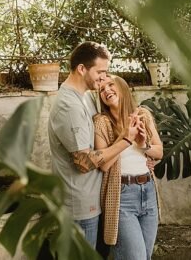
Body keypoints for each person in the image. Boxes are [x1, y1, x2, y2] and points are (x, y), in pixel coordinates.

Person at [47, 42, 140, 247]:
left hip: (91, 202)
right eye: (100, 71)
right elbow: (84, 163)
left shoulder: (84, 97)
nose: (104, 77)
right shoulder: (69, 106)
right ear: (82, 69)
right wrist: (126, 140)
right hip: (78, 209)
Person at [93, 76, 163, 259]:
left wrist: (143, 145)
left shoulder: (143, 114)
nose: (106, 90)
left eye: (110, 85)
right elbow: (104, 165)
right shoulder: (102, 122)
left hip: (148, 192)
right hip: (121, 196)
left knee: (145, 256)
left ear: (123, 87)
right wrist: (125, 138)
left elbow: (159, 151)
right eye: (101, 89)